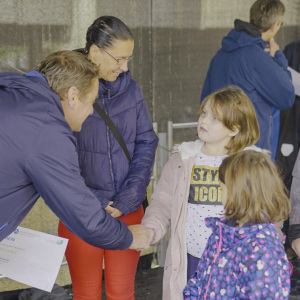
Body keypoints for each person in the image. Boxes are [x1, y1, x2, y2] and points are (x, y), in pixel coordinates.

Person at [0, 50, 150, 250]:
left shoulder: (12, 90)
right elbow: (81, 212)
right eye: (92, 101)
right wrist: (128, 237)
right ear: (72, 96)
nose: (91, 110)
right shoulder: (46, 127)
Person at [57, 16, 158, 300]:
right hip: (80, 213)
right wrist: (97, 202)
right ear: (94, 51)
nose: (124, 67)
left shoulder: (132, 90)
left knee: (121, 292)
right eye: (119, 58)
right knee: (86, 293)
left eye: (129, 58)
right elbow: (57, 160)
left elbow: (146, 142)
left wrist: (130, 195)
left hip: (127, 211)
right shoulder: (66, 93)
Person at [141, 86, 262, 300]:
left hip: (235, 263)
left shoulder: (252, 165)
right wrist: (150, 229)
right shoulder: (182, 160)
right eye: (204, 113)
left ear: (234, 128)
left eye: (215, 118)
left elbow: (269, 211)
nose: (204, 121)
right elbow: (162, 203)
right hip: (190, 261)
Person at [183, 150, 291, 299]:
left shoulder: (262, 248)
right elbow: (199, 281)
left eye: (222, 189)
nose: (221, 196)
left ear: (240, 192)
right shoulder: (220, 235)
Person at [201, 0, 295, 160]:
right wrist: (279, 59)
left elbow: (205, 102)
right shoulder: (256, 57)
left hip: (219, 151)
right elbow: (286, 96)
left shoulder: (219, 56)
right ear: (275, 25)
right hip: (250, 155)